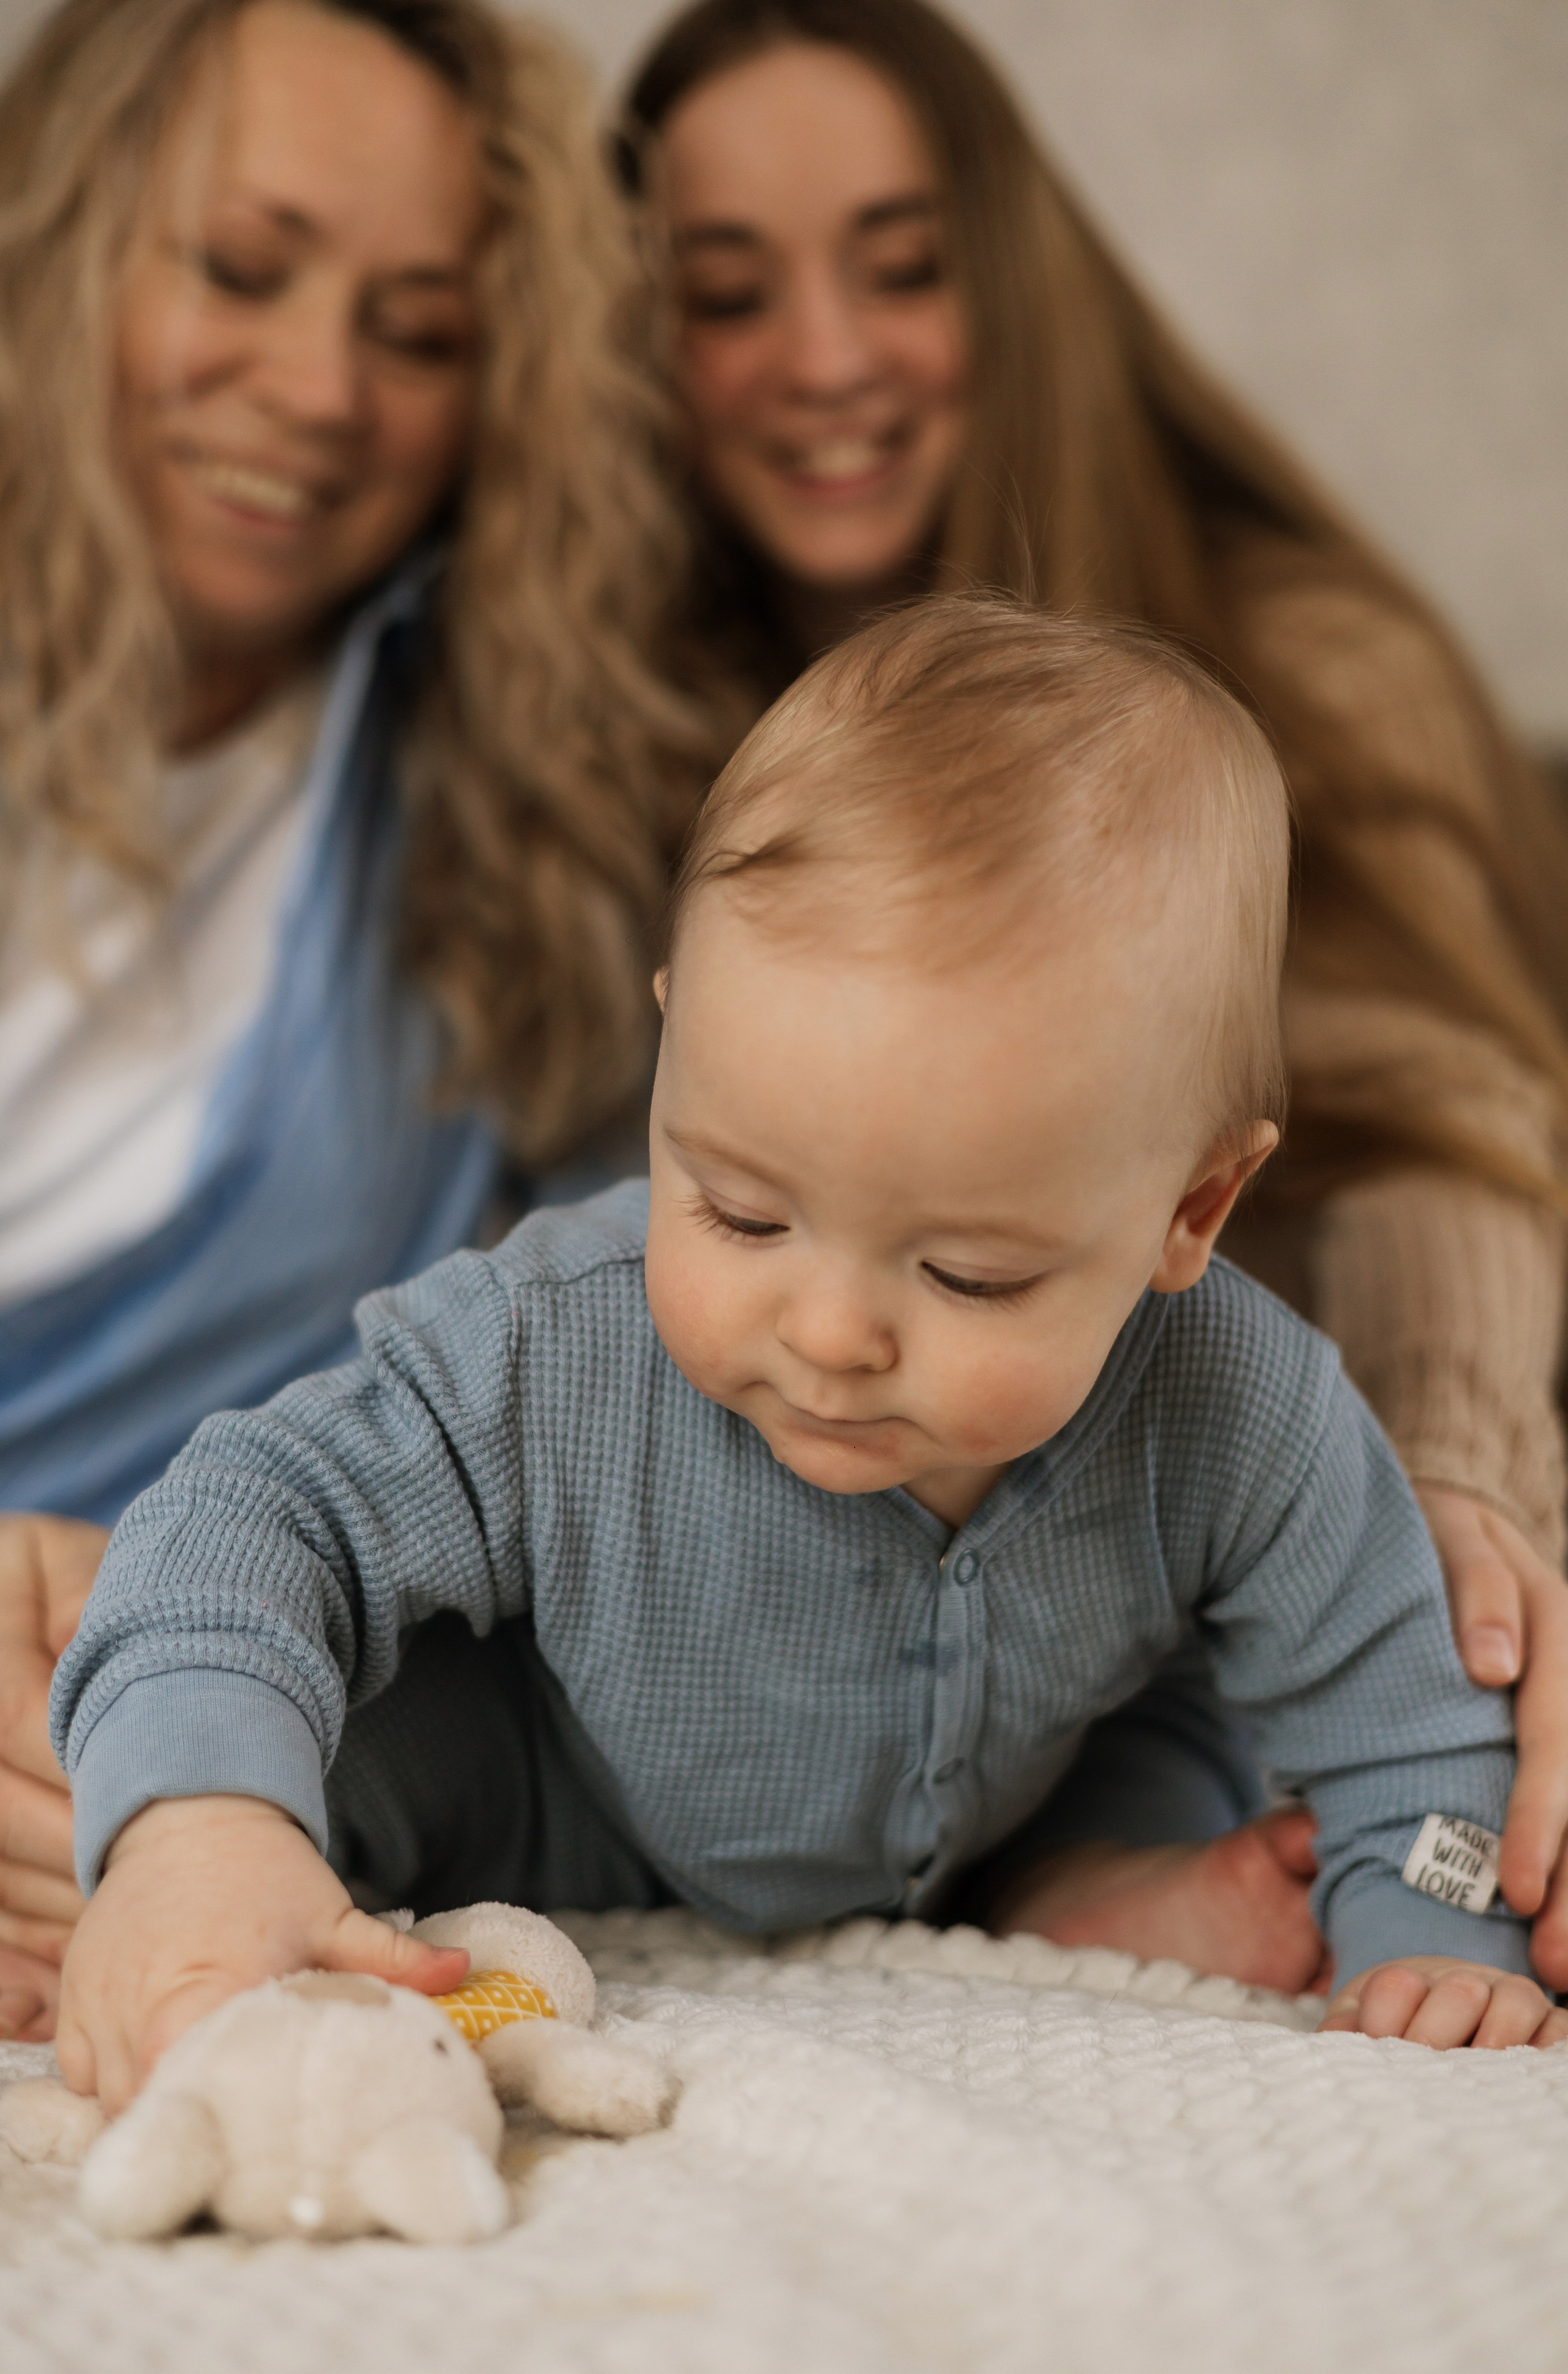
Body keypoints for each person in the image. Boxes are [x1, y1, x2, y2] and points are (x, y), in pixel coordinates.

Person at [53, 600, 1568, 2116]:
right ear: (673, 1058)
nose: (831, 1335)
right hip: (535, 1783)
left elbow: (1400, 1699)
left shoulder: (1239, 1401)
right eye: (740, 1209)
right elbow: (259, 1507)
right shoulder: (548, 1346)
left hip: (1008, 1805)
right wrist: (199, 1826)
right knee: (242, 1768)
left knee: (1198, 1737)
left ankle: (1071, 1893)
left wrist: (1436, 1942)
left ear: (1189, 1209)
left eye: (967, 1273)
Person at [615, 0, 1568, 1979]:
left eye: (904, 266)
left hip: (1309, 1443)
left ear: (1017, 274)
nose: (824, 357)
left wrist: (1457, 1472)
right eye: (727, 294)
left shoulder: (1291, 659)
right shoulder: (622, 717)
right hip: (930, 1542)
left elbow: (1442, 1122)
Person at [0, 0, 712, 2038]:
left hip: (184, 1727)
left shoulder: (535, 810)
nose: (317, 390)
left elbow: (623, 1432)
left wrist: (177, 1727)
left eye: (418, 331)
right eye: (239, 267)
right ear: (58, 240)